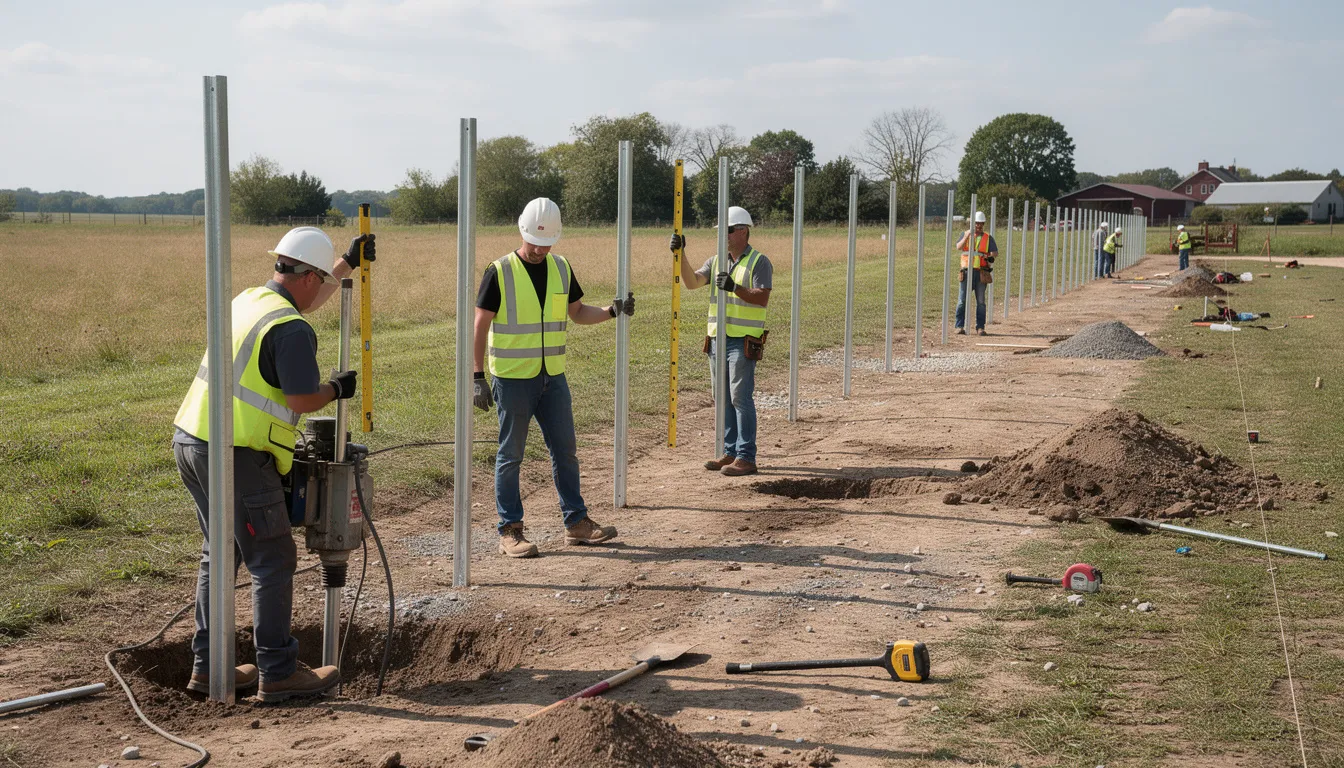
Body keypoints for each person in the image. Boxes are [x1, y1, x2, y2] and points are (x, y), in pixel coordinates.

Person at [174, 226, 375, 702]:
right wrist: (336, 389)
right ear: (307, 276)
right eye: (322, 278)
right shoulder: (290, 329)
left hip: (192, 439)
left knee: (220, 554)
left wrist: (345, 264)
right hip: (237, 454)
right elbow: (303, 399)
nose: (321, 288)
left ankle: (210, 666)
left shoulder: (250, 301)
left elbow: (310, 298)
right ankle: (279, 671)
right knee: (273, 557)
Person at [473, 198, 634, 559]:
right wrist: (477, 375)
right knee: (510, 455)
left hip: (553, 378)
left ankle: (576, 523)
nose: (539, 250)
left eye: (546, 244)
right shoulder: (499, 271)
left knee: (566, 451)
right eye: (534, 243)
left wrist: (611, 311)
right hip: (513, 379)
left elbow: (577, 312)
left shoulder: (561, 267)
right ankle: (509, 530)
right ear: (522, 232)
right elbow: (480, 323)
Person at [668, 206, 772, 477]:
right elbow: (691, 282)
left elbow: (762, 297)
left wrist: (734, 288)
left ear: (742, 231)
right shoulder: (716, 261)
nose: (721, 236)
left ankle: (746, 456)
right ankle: (730, 451)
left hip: (742, 341)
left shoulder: (759, 261)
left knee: (740, 397)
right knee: (722, 398)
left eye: (725, 231)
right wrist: (681, 254)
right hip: (717, 340)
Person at [954, 211, 997, 336]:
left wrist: (988, 255)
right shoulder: (965, 234)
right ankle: (959, 326)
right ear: (972, 223)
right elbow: (958, 247)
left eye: (981, 224)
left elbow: (995, 252)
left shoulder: (988, 238)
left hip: (981, 273)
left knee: (981, 302)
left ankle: (980, 328)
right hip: (966, 271)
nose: (979, 226)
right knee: (962, 300)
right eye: (977, 223)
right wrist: (967, 236)